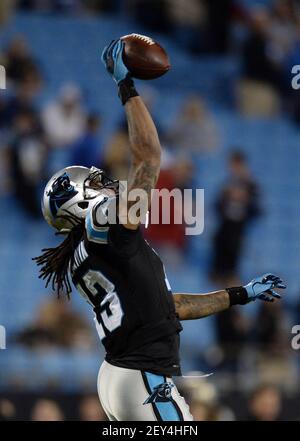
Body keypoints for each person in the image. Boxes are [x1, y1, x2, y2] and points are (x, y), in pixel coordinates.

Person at [34, 39, 286, 421]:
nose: (105, 185)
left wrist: (239, 294)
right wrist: (125, 85)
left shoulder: (85, 253)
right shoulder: (105, 226)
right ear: (80, 203)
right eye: (95, 184)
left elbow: (169, 308)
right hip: (141, 376)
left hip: (122, 376)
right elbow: (149, 156)